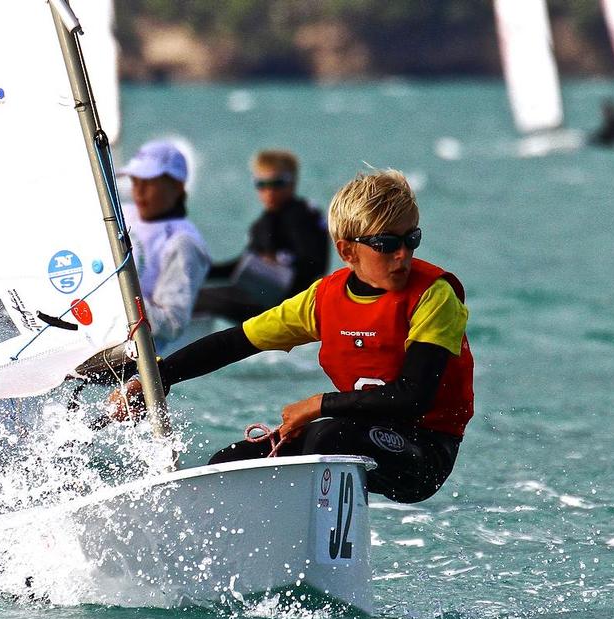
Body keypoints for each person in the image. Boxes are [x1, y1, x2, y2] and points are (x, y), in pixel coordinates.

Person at [112, 169, 474, 504]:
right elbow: (234, 342)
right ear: (347, 250)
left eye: (412, 238)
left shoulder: (433, 295)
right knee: (228, 465)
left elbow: (413, 396)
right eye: (386, 243)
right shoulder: (325, 299)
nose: (403, 254)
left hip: (424, 451)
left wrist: (319, 404)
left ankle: (318, 550)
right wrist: (156, 378)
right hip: (353, 432)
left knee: (326, 439)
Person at [194, 149, 329, 322]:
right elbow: (243, 266)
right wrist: (202, 272)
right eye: (262, 184)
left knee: (194, 298)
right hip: (263, 297)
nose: (269, 191)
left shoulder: (300, 216)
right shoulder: (264, 223)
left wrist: (281, 261)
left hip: (283, 305)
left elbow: (314, 264)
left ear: (293, 182)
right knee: (196, 293)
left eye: (277, 183)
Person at [118, 140, 210, 354]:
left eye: (149, 183)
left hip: (139, 358)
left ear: (177, 186)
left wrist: (117, 302)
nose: (139, 191)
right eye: (135, 181)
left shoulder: (183, 242)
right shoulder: (120, 214)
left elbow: (172, 323)